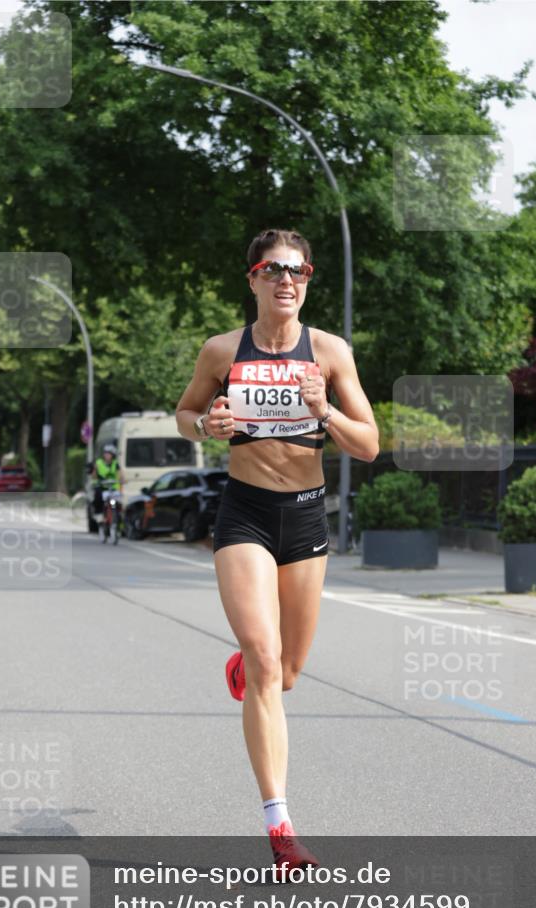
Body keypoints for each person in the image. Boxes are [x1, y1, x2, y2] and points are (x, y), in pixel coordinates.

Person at [175, 228, 379, 874]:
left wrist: (325, 413)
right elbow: (185, 413)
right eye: (272, 269)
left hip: (304, 519)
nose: (286, 280)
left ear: (307, 279)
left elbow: (368, 444)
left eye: (297, 270)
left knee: (286, 673)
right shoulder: (219, 351)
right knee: (265, 660)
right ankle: (280, 827)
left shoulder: (329, 351)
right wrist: (207, 425)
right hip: (244, 514)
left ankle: (252, 668)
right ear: (253, 279)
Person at [91, 444, 124, 520]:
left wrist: (122, 480)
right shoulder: (99, 463)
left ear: (112, 455)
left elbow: (120, 475)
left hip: (113, 487)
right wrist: (94, 470)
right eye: (105, 453)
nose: (106, 455)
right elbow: (94, 476)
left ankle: (119, 517)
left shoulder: (115, 464)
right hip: (102, 487)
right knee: (98, 496)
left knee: (119, 502)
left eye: (108, 453)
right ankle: (98, 514)